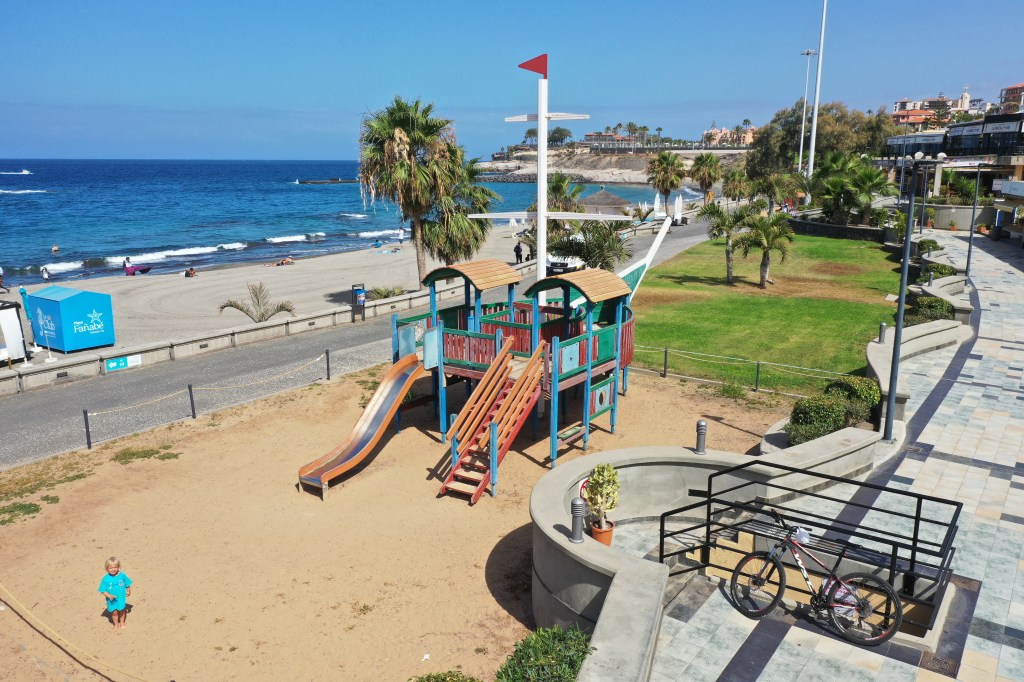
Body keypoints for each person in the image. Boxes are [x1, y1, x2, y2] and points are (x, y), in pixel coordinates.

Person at [98, 557, 133, 632]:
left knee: (122, 610)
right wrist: (108, 595)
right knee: (114, 612)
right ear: (107, 569)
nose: (113, 569)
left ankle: (122, 622)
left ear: (118, 567)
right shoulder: (105, 579)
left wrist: (128, 590)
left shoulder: (122, 575)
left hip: (121, 597)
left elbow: (127, 583)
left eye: (115, 567)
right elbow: (103, 590)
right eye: (111, 568)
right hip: (111, 600)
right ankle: (116, 624)